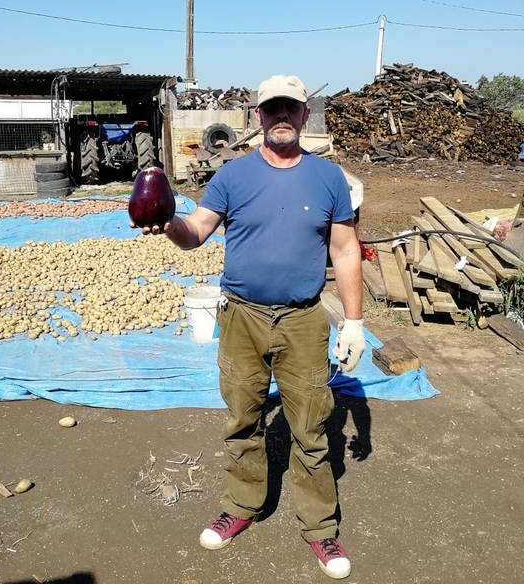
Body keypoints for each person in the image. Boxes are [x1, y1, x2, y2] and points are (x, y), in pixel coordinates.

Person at [132, 74, 366, 580]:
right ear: (258, 116)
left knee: (311, 426)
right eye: (272, 108)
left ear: (304, 114)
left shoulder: (328, 178)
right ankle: (241, 506)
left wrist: (354, 322)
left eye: (291, 108)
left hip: (303, 320)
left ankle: (320, 527)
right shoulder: (232, 176)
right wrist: (167, 221)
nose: (282, 116)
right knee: (242, 418)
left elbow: (346, 250)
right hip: (241, 317)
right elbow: (195, 232)